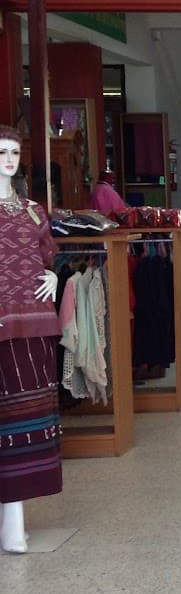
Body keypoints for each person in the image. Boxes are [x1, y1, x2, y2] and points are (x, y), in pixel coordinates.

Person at [0, 126, 62, 553]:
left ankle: (15, 518)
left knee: (27, 416)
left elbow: (49, 254)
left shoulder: (34, 210)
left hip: (36, 323)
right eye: (2, 151)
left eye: (15, 152)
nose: (9, 159)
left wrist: (55, 275)